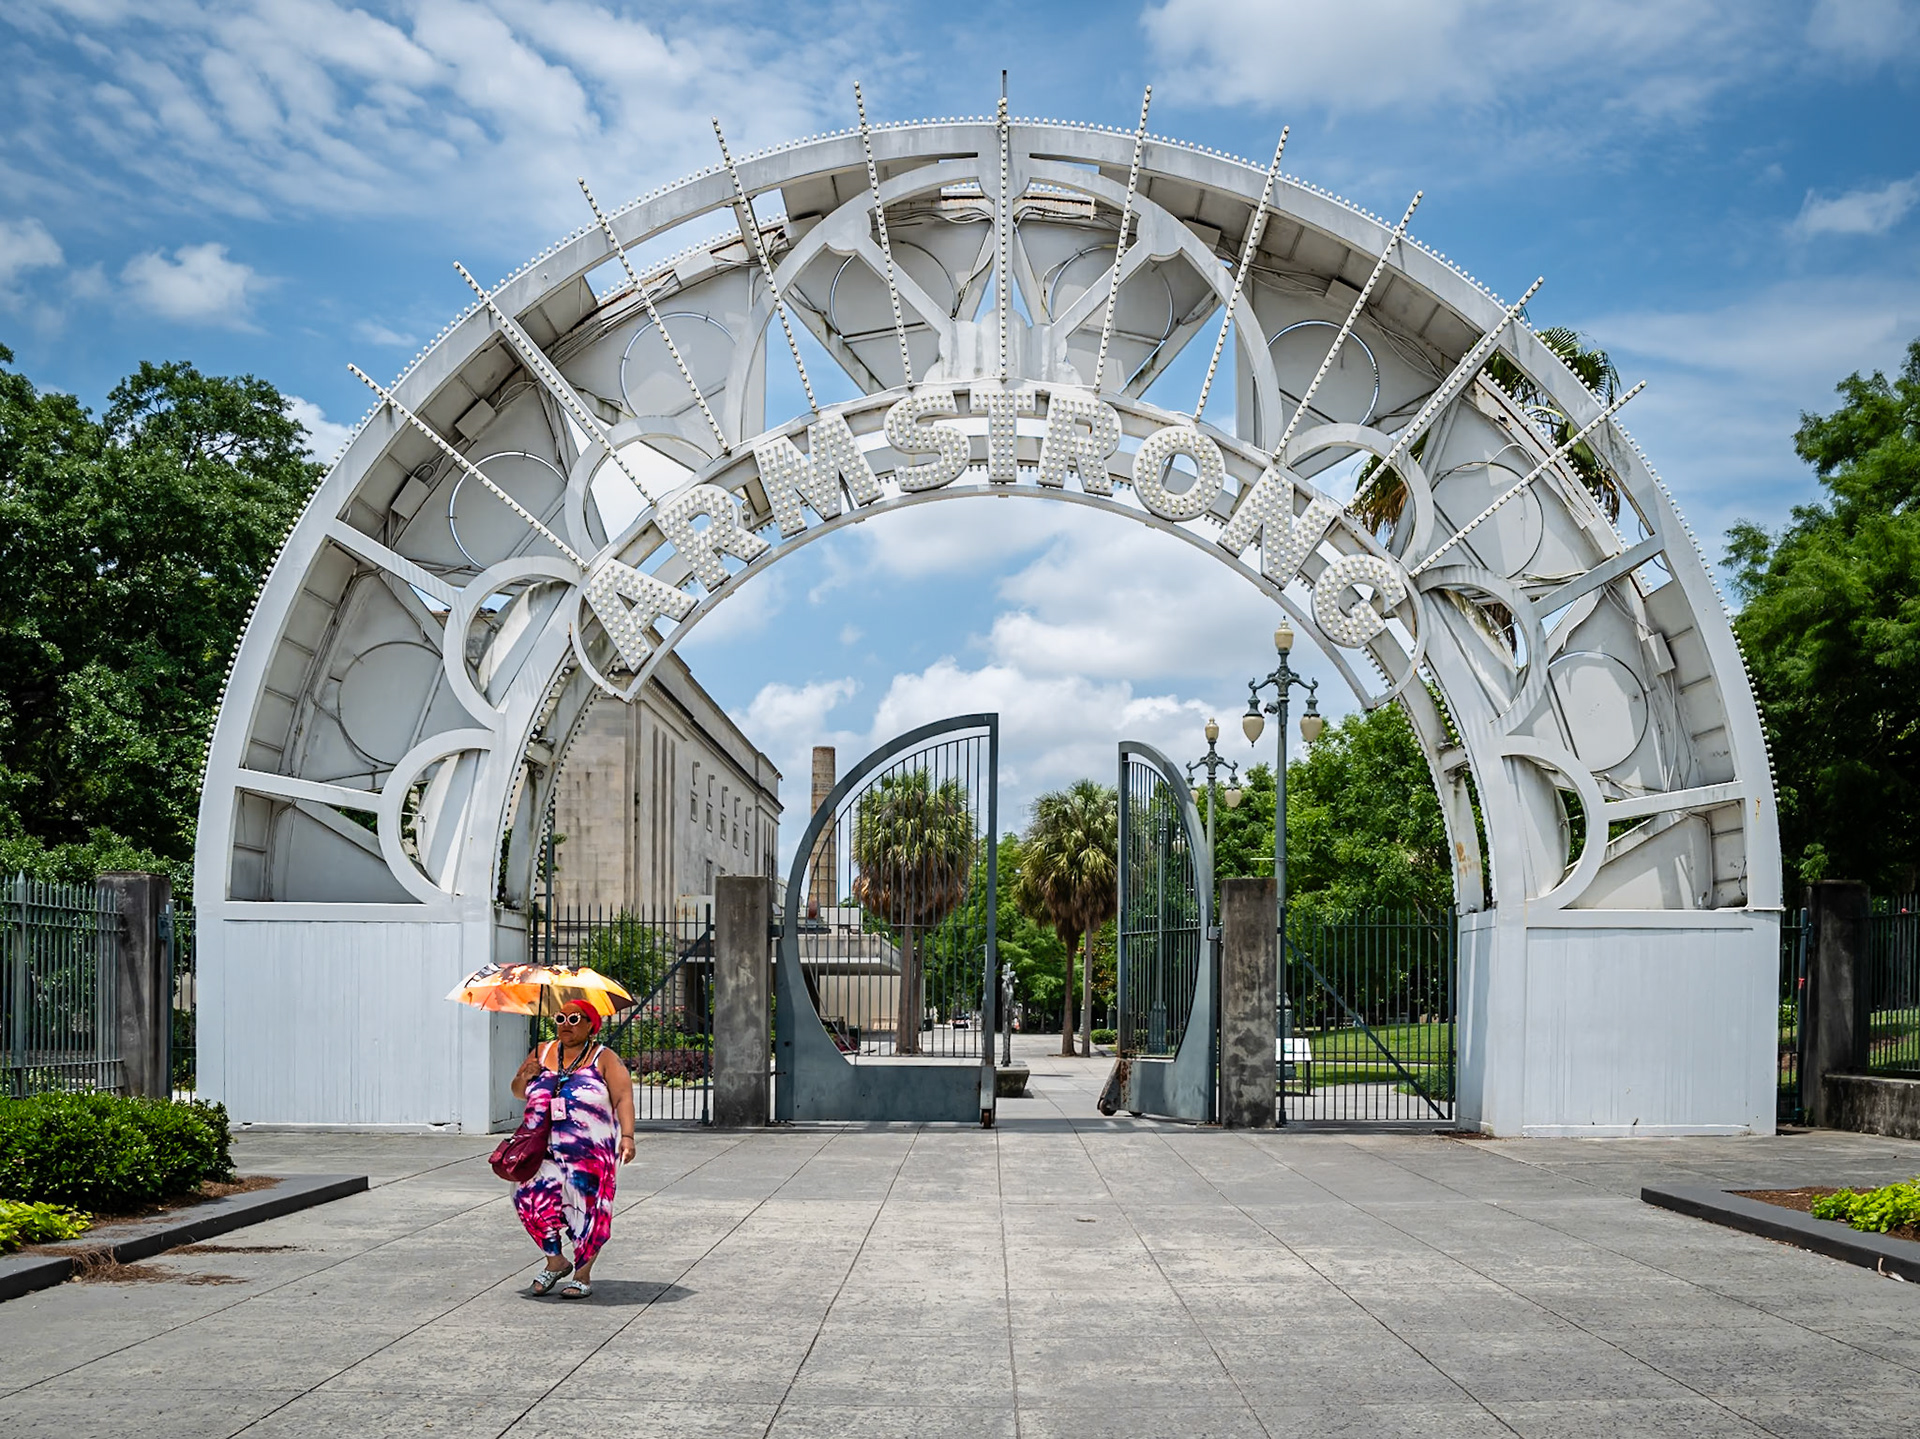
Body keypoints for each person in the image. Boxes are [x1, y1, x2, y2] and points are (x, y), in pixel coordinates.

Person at [508, 999, 635, 1298]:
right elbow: (517, 1092)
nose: (566, 1024)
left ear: (591, 1025)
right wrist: (525, 1075)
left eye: (574, 1019)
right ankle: (556, 1261)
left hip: (590, 1151)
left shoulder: (604, 1058)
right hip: (541, 1147)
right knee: (526, 1197)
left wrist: (628, 1136)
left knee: (589, 1208)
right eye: (560, 1018)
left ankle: (582, 1274)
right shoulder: (542, 1052)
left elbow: (623, 1097)